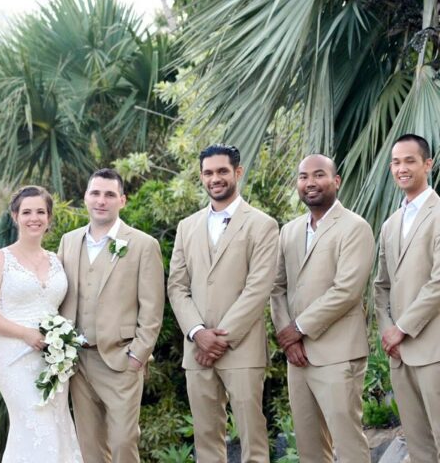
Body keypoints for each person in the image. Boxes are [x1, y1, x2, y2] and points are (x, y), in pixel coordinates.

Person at [168, 144, 277, 463]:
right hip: (196, 348)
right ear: (201, 176)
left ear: (237, 173)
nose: (215, 178)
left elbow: (258, 288)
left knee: (252, 436)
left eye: (221, 171)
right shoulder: (187, 227)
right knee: (206, 438)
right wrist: (197, 332)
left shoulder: (262, 224)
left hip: (241, 349)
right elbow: (176, 286)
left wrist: (220, 339)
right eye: (208, 173)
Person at [58, 168, 165, 463]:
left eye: (109, 194)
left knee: (123, 442)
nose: (101, 201)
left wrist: (137, 356)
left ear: (122, 200)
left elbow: (153, 309)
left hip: (120, 361)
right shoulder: (69, 241)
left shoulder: (143, 245)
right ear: (85, 198)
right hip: (79, 362)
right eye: (95, 193)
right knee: (89, 446)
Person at [270, 154, 372, 463]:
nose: (310, 183)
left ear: (335, 181)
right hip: (298, 357)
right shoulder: (288, 231)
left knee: (348, 443)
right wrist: (289, 339)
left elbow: (346, 290)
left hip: (338, 354)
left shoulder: (355, 227)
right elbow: (277, 287)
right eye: (303, 177)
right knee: (310, 448)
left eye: (318, 175)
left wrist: (298, 329)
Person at [0, 185, 82, 462]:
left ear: (49, 217)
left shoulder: (57, 260)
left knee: (58, 425)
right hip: (15, 356)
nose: (34, 218)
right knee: (33, 422)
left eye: (41, 212)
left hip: (54, 358)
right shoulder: (1, 259)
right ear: (15, 216)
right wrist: (25, 333)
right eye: (27, 212)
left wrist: (64, 342)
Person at [374, 134, 440, 463]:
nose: (402, 168)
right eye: (396, 162)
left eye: (410, 160)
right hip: (399, 353)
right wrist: (389, 333)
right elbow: (381, 285)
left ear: (428, 164)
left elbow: (439, 281)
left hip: (433, 348)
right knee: (418, 445)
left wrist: (402, 327)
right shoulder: (390, 224)